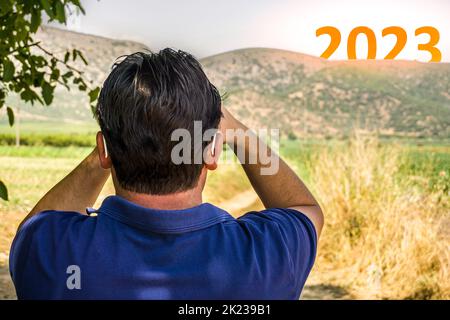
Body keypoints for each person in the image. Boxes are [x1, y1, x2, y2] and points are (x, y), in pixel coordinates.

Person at [9, 49, 323, 299]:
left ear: (104, 151)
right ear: (211, 151)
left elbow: (35, 226)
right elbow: (305, 210)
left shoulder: (49, 252)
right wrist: (237, 132)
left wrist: (109, 148)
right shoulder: (265, 257)